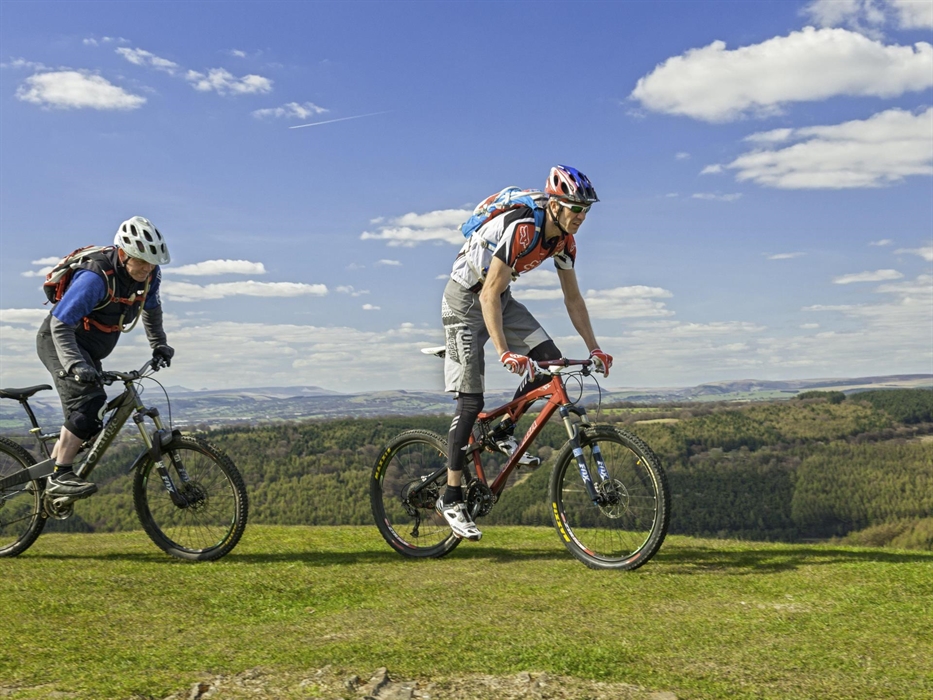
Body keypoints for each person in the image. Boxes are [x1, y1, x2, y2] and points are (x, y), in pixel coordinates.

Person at [437, 165, 613, 540]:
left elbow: (573, 298)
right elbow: (485, 294)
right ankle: (451, 496)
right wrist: (504, 352)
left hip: (500, 299)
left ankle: (503, 429)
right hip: (465, 302)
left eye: (586, 210)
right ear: (554, 204)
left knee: (548, 364)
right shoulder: (524, 229)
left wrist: (594, 347)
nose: (581, 217)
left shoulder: (563, 242)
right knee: (470, 402)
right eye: (575, 208)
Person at [35, 216, 174, 498]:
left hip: (88, 350)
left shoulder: (149, 276)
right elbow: (60, 326)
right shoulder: (95, 278)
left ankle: (57, 466)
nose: (147, 269)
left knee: (93, 421)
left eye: (152, 263)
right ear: (123, 254)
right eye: (141, 261)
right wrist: (75, 364)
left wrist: (159, 344)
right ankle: (59, 476)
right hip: (61, 342)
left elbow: (152, 309)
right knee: (90, 405)